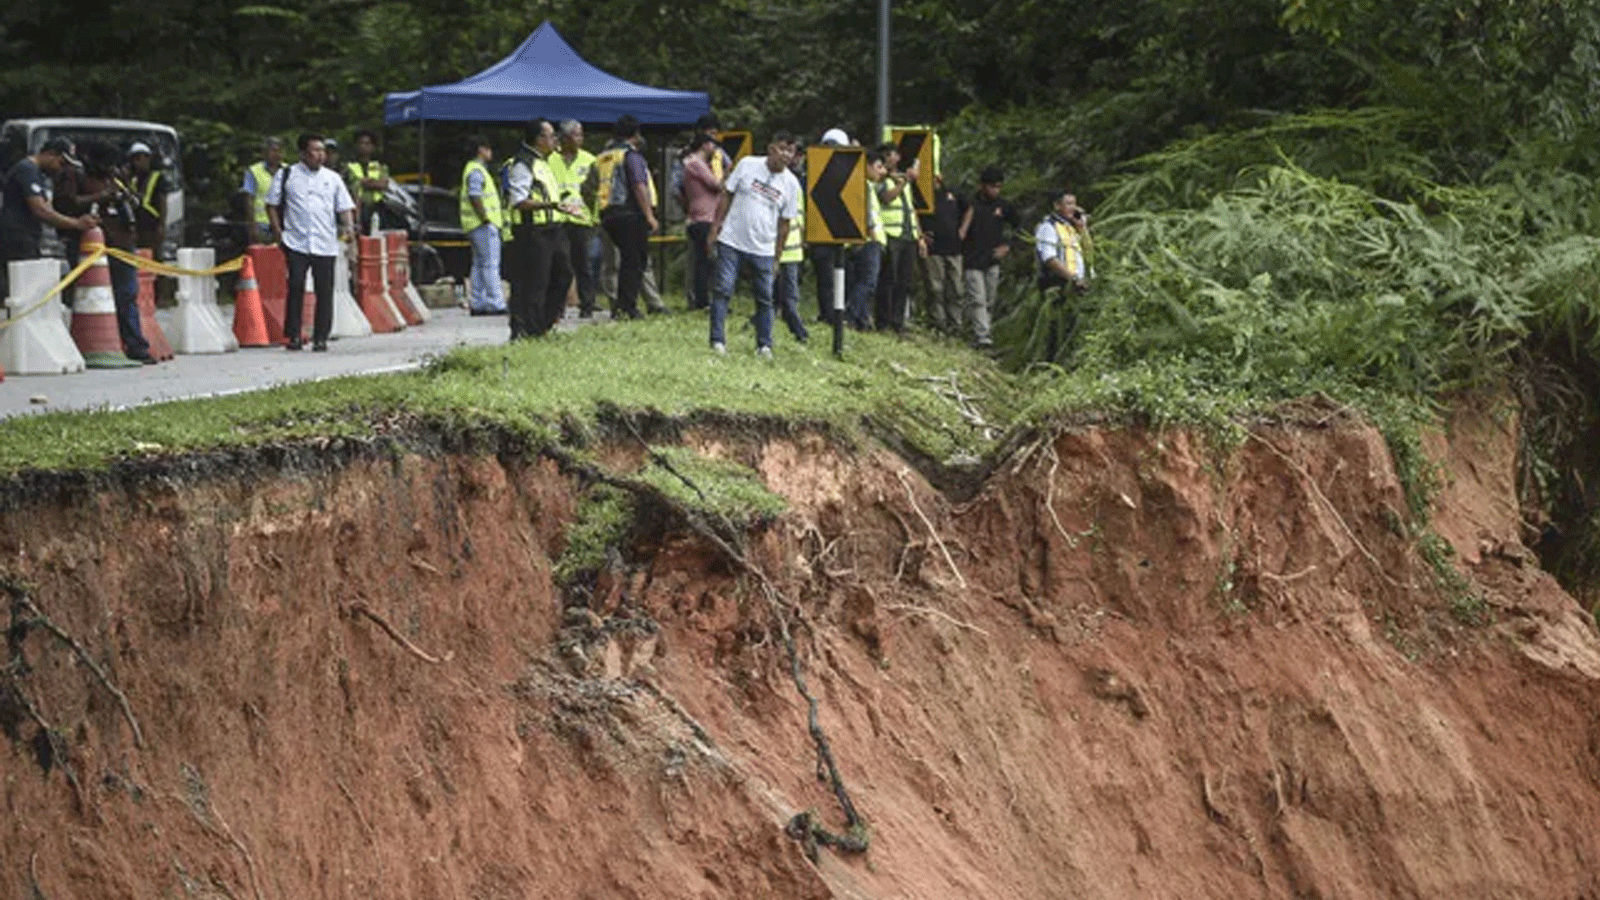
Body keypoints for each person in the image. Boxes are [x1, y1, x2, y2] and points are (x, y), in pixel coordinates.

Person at [53, 141, 154, 362]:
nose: (110, 170)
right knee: (90, 298)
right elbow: (65, 204)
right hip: (91, 246)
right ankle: (91, 344)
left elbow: (132, 201)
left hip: (122, 244)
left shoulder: (115, 176)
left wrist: (123, 196)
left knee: (127, 295)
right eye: (106, 165)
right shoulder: (75, 174)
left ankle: (136, 346)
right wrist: (100, 197)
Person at [707, 131, 801, 357]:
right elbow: (726, 195)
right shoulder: (747, 165)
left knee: (765, 298)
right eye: (781, 148)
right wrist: (715, 227)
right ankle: (717, 340)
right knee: (723, 289)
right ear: (770, 149)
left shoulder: (791, 184)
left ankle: (764, 345)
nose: (786, 155)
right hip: (732, 239)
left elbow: (784, 224)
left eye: (790, 151)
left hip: (764, 248)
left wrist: (777, 257)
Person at [266, 132, 356, 352]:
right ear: (303, 154)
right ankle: (294, 335)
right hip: (296, 241)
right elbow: (271, 203)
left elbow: (344, 207)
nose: (320, 155)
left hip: (325, 242)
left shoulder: (332, 178)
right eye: (315, 151)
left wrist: (350, 228)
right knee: (296, 286)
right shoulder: (287, 175)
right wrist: (278, 231)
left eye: (322, 151)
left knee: (324, 290)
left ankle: (321, 336)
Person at [504, 118, 575, 339]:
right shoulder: (523, 164)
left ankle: (543, 323)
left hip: (553, 227)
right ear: (539, 139)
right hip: (533, 230)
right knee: (535, 282)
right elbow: (519, 200)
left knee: (563, 275)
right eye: (551, 135)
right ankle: (527, 329)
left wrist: (559, 204)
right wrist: (550, 205)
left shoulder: (544, 161)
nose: (555, 140)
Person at [598, 115, 658, 320]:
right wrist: (649, 215)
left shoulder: (604, 157)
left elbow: (588, 187)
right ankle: (627, 307)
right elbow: (639, 185)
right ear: (635, 134)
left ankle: (621, 305)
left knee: (624, 260)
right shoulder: (631, 156)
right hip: (630, 213)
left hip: (608, 214)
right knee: (634, 261)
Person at [959, 166, 1020, 348]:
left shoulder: (1003, 206)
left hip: (993, 259)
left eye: (998, 187)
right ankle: (982, 336)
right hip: (972, 258)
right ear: (982, 186)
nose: (995, 190)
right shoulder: (970, 204)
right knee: (977, 299)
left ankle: (981, 331)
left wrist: (1008, 246)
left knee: (989, 300)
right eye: (992, 186)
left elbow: (1020, 226)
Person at [548, 120, 598, 316]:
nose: (581, 139)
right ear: (565, 138)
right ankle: (556, 307)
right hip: (558, 218)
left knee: (583, 265)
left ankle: (587, 305)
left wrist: (595, 217)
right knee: (560, 265)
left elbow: (596, 191)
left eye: (582, 135)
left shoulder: (589, 160)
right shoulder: (550, 159)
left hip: (582, 219)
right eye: (577, 135)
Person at [874, 143, 923, 332]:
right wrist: (902, 185)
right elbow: (886, 198)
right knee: (888, 279)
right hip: (891, 235)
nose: (890, 158)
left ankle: (898, 321)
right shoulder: (881, 179)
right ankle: (883, 320)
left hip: (908, 235)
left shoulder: (904, 179)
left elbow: (911, 208)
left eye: (893, 154)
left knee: (905, 281)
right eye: (887, 155)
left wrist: (919, 235)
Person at [459, 134, 506, 316]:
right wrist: (486, 218)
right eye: (488, 149)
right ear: (481, 150)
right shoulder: (477, 170)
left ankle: (477, 302)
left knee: (479, 265)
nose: (490, 152)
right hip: (483, 225)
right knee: (490, 264)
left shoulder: (472, 169)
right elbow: (474, 195)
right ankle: (496, 302)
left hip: (474, 225)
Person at [809, 127, 851, 324]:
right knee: (826, 278)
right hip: (821, 232)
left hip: (840, 233)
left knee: (840, 276)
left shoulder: (850, 170)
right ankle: (829, 315)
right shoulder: (813, 169)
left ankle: (837, 314)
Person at [845, 148, 888, 330]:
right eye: (878, 167)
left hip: (865, 240)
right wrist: (872, 235)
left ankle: (861, 321)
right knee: (868, 282)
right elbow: (867, 213)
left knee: (862, 281)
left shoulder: (866, 185)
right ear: (866, 166)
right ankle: (850, 315)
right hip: (868, 241)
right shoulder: (862, 185)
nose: (882, 171)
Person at [679, 133, 722, 311]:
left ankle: (706, 299)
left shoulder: (697, 164)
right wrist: (724, 174)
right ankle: (702, 301)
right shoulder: (695, 163)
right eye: (713, 145)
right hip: (703, 218)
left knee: (707, 261)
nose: (716, 150)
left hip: (704, 217)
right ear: (705, 145)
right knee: (705, 261)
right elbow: (715, 184)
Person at [919, 173, 965, 334]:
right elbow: (914, 213)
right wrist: (921, 235)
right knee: (935, 287)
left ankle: (956, 324)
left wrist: (963, 230)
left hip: (954, 247)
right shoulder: (921, 194)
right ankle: (938, 322)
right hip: (934, 248)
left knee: (956, 287)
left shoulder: (952, 193)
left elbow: (970, 208)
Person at [126, 142, 168, 255]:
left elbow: (162, 200)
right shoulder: (133, 179)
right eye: (134, 159)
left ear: (148, 158)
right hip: (138, 224)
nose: (136, 162)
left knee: (154, 254)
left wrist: (161, 226)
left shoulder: (157, 177)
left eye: (139, 158)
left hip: (152, 223)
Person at [240, 136, 284, 244]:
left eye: (279, 151)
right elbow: (248, 200)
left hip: (282, 224)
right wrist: (252, 225)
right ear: (264, 153)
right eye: (273, 150)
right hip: (261, 224)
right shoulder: (254, 171)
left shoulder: (288, 171)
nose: (276, 154)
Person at [345, 129, 390, 232]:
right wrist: (372, 182)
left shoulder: (380, 165)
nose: (363, 146)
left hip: (377, 207)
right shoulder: (349, 166)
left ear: (373, 146)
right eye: (360, 143)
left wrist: (364, 182)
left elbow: (383, 185)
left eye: (367, 143)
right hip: (357, 208)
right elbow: (351, 186)